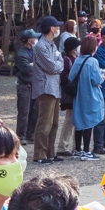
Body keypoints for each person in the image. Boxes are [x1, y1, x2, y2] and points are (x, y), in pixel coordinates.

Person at [30, 16, 64, 163]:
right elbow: (51, 67)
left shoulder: (53, 45)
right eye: (57, 26)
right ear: (51, 28)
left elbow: (60, 62)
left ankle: (51, 152)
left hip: (55, 87)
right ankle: (39, 154)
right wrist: (58, 66)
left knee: (55, 123)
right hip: (45, 87)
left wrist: (58, 65)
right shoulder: (40, 46)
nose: (58, 29)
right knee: (45, 123)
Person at [13, 27, 39, 142]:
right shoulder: (21, 54)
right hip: (24, 84)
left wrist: (34, 65)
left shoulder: (35, 51)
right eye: (34, 38)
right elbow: (28, 70)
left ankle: (30, 134)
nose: (36, 40)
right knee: (24, 111)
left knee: (35, 110)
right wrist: (34, 66)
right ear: (29, 40)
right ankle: (21, 135)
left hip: (35, 84)